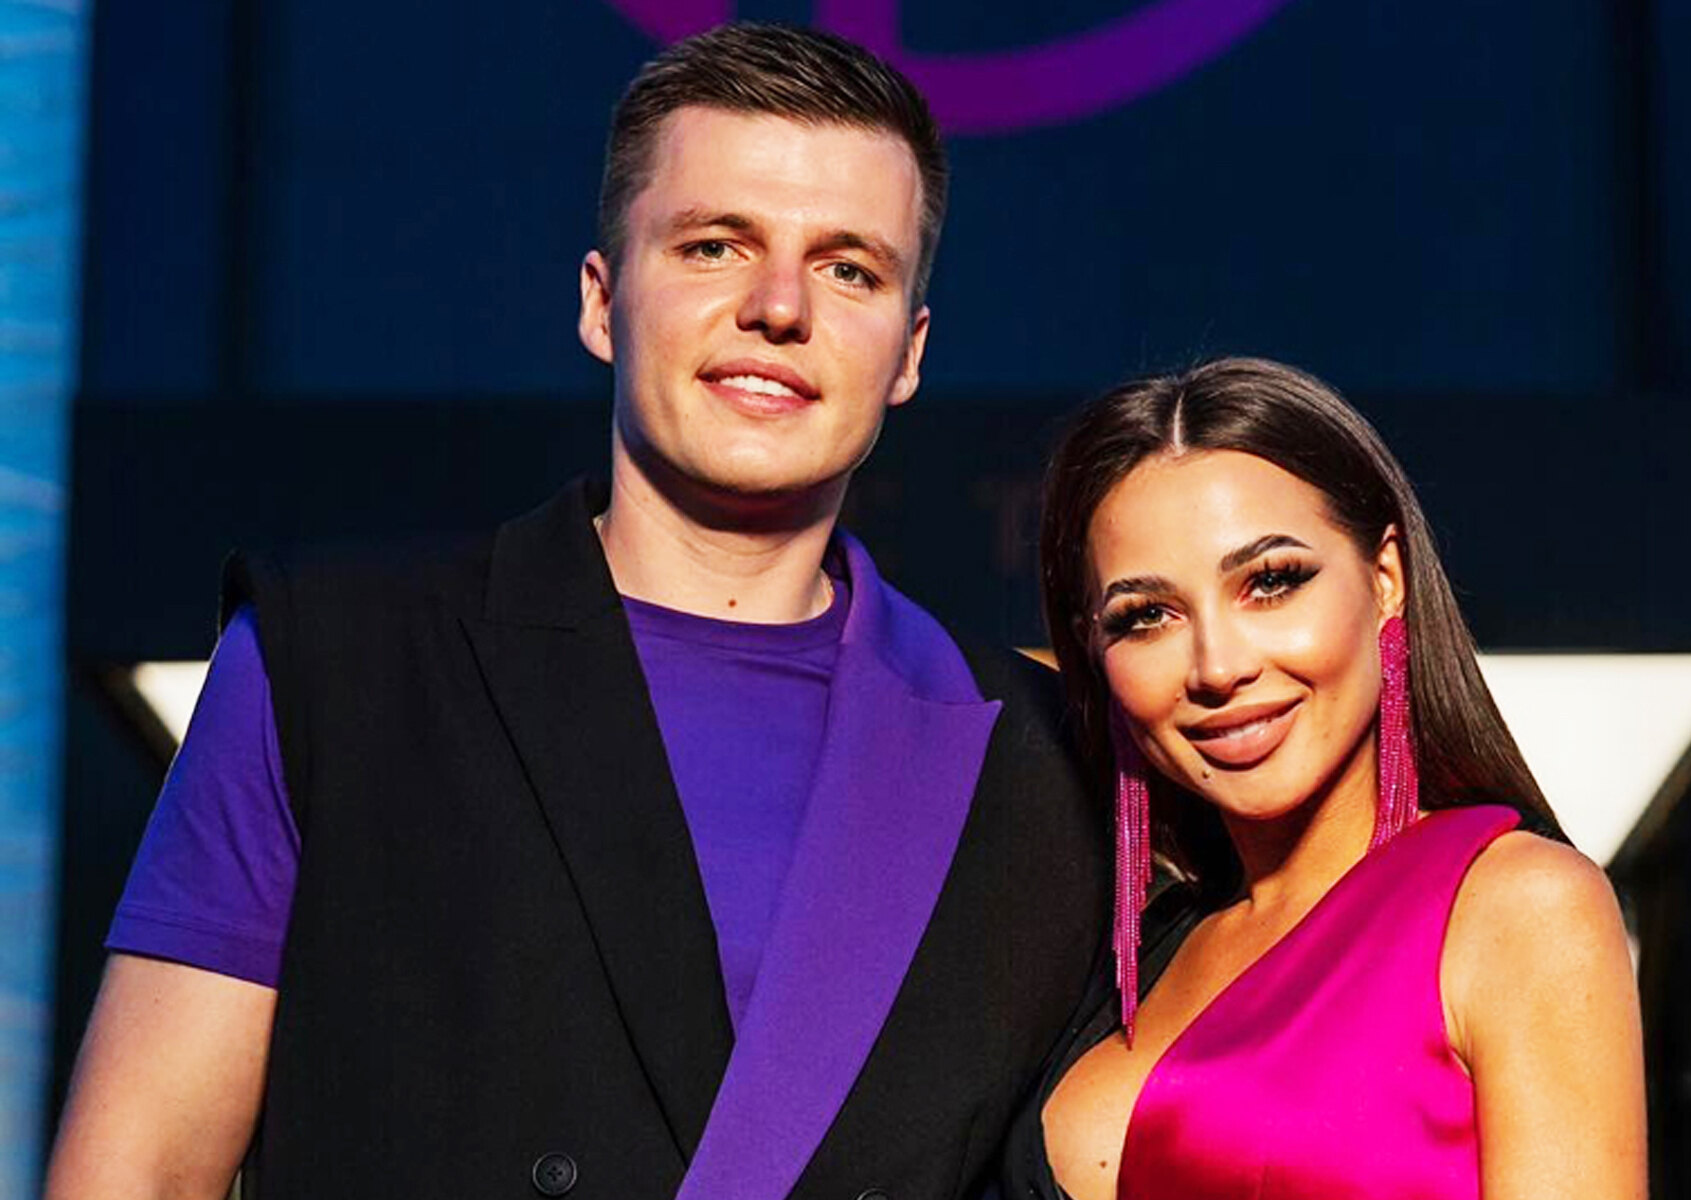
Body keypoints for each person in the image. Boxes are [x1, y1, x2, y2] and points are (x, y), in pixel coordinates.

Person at [46, 24, 1105, 1199]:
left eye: (850, 268)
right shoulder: (334, 669)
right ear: (603, 301)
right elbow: (136, 1173)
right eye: (714, 246)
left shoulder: (1045, 759)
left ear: (908, 351)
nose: (779, 307)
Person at [1002, 358, 1646, 1200]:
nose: (1218, 666)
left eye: (1271, 583)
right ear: (1096, 650)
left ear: (1386, 579)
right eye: (1147, 616)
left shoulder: (1517, 906)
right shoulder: (1126, 952)